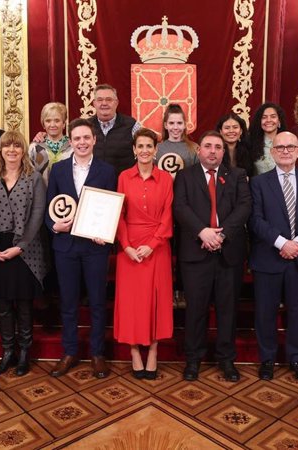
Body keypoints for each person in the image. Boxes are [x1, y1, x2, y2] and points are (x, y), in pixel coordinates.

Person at [173, 131, 252, 382]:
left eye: (218, 147)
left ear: (223, 151)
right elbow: (180, 207)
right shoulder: (185, 176)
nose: (213, 151)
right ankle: (193, 359)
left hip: (228, 252)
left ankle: (226, 360)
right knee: (195, 309)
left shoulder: (237, 175)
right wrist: (203, 232)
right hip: (196, 253)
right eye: (207, 146)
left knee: (227, 310)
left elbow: (244, 207)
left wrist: (222, 235)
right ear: (199, 150)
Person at [46, 118, 117, 379]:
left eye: (86, 137)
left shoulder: (108, 172)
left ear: (94, 140)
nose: (82, 142)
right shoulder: (58, 170)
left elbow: (112, 208)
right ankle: (70, 351)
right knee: (68, 302)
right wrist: (55, 226)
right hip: (65, 247)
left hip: (95, 247)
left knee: (98, 302)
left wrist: (106, 233)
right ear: (71, 141)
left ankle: (98, 354)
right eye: (77, 138)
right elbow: (48, 209)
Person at [249, 132, 298, 382]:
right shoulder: (258, 183)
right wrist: (282, 243)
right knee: (265, 311)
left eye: (291, 146)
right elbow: (255, 220)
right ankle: (267, 358)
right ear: (272, 152)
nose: (286, 151)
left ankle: (297, 357)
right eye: (280, 147)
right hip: (269, 257)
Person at [0, 131, 48, 377]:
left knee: (24, 303)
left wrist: (21, 246)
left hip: (25, 250)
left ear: (23, 149)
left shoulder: (34, 178)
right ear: (0, 150)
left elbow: (38, 215)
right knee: (4, 304)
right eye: (8, 145)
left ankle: (24, 353)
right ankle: (8, 352)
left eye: (17, 145)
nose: (12, 150)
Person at [114, 128, 174, 380]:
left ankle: (153, 351)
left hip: (157, 247)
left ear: (156, 150)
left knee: (156, 302)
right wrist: (126, 245)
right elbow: (119, 214)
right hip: (129, 249)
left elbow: (168, 215)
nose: (145, 150)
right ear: (134, 150)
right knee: (132, 303)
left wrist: (153, 243)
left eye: (149, 146)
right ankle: (134, 351)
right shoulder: (124, 177)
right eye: (140, 146)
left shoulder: (166, 179)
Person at [90, 84, 142, 175]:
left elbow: (142, 153)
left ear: (116, 102)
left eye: (109, 99)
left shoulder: (132, 125)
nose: (104, 103)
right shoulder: (86, 126)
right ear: (94, 103)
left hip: (122, 183)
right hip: (93, 185)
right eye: (100, 100)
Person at [28, 102, 72, 184]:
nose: (52, 125)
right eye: (48, 121)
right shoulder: (34, 147)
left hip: (67, 195)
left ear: (64, 123)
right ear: (43, 124)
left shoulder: (73, 146)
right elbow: (29, 176)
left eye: (57, 120)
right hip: (41, 194)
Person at [249, 103, 287, 175]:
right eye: (264, 117)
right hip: (259, 185)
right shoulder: (251, 143)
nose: (268, 120)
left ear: (279, 121)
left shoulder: (288, 141)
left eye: (273, 116)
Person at [157, 103, 198, 168]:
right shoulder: (156, 149)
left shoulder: (194, 148)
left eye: (179, 123)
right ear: (166, 125)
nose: (175, 127)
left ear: (184, 125)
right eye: (171, 123)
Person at [216, 113, 253, 177]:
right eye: (227, 128)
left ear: (241, 131)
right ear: (220, 132)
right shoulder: (214, 151)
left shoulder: (249, 150)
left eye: (235, 127)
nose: (231, 131)